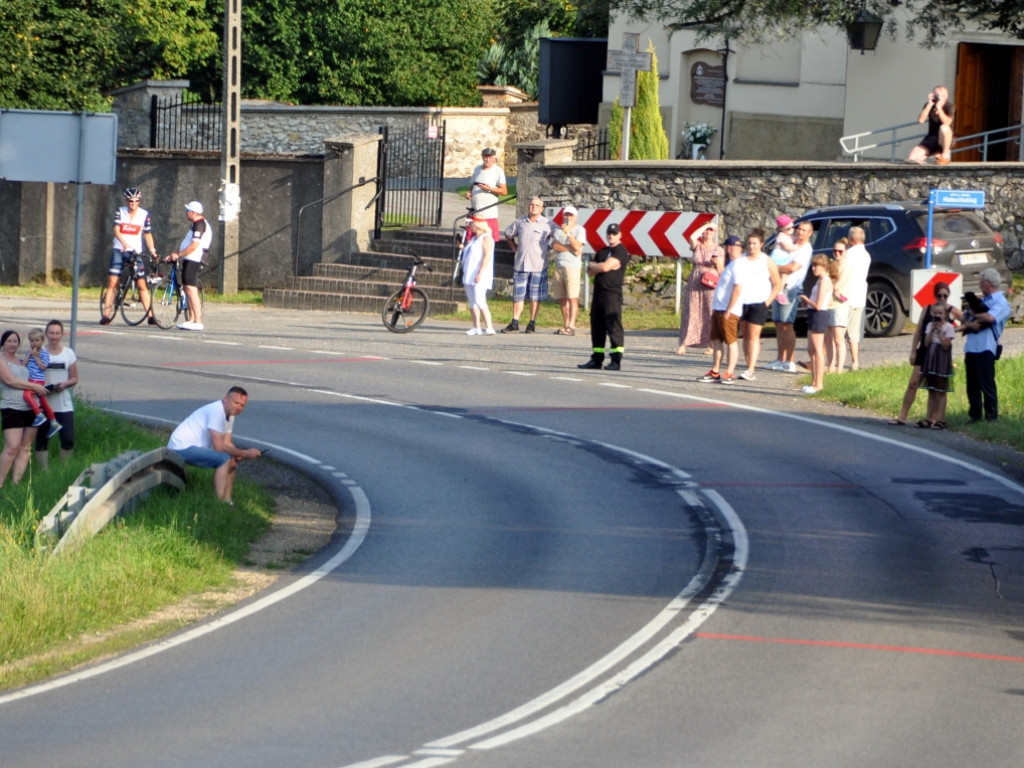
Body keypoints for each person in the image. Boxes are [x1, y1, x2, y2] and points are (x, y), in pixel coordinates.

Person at [167, 386, 262, 503]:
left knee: (231, 459)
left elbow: (227, 443)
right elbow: (219, 446)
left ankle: (227, 499)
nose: (238, 407)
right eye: (236, 402)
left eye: (242, 405)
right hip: (181, 448)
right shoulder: (217, 411)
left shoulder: (229, 415)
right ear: (226, 399)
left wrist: (237, 454)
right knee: (223, 459)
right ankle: (219, 501)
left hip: (191, 447)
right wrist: (244, 453)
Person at [887, 282, 954, 426]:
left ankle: (933, 419)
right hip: (924, 349)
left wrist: (952, 330)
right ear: (935, 295)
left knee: (935, 387)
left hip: (940, 353)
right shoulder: (928, 309)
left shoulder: (950, 310)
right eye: (939, 295)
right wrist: (913, 350)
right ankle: (902, 416)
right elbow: (918, 330)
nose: (942, 298)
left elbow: (965, 322)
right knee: (913, 382)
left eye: (945, 295)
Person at [101, 187, 159, 325]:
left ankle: (151, 316)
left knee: (142, 284)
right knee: (113, 283)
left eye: (136, 201)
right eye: (131, 201)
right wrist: (124, 243)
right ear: (126, 201)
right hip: (119, 250)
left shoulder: (144, 214)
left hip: (135, 252)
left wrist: (152, 250)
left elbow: (147, 233)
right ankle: (106, 315)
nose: (133, 204)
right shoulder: (120, 212)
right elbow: (116, 229)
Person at [578, 223, 630, 371]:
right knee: (597, 327)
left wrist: (599, 266)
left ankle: (615, 360)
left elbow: (605, 267)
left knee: (613, 327)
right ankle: (596, 358)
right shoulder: (603, 251)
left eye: (614, 233)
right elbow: (589, 271)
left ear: (620, 234)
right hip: (598, 294)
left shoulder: (621, 251)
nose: (611, 236)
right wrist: (598, 266)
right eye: (609, 233)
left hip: (612, 294)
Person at [961, 268, 1011, 423]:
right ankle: (975, 415)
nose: (979, 284)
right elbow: (966, 318)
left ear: (988, 283)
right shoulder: (983, 300)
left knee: (987, 384)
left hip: (986, 347)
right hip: (971, 346)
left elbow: (990, 317)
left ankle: (991, 416)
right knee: (972, 385)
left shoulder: (1001, 302)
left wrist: (974, 315)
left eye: (981, 281)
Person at [732, 228, 782, 381]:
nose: (751, 246)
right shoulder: (742, 260)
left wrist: (767, 302)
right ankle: (748, 366)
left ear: (761, 244)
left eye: (754, 243)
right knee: (745, 335)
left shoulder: (766, 260)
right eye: (749, 243)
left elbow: (777, 283)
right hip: (743, 302)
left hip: (759, 302)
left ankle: (751, 368)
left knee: (754, 336)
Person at [0, 330, 48, 488]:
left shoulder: (22, 361)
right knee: (11, 447)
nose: (13, 344)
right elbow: (11, 381)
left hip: (31, 408)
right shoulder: (2, 360)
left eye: (15, 341)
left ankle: (16, 485)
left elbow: (38, 372)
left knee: (25, 447)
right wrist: (33, 386)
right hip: (12, 407)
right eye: (9, 341)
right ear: (3, 343)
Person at [767, 220, 813, 372]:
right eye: (799, 229)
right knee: (778, 323)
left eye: (803, 230)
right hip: (779, 285)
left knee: (787, 324)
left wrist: (774, 266)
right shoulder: (791, 243)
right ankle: (780, 359)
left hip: (791, 288)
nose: (800, 232)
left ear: (809, 233)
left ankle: (790, 361)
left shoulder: (805, 249)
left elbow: (793, 267)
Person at [697, 235, 744, 384]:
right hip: (719, 307)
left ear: (729, 247)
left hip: (728, 309)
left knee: (731, 341)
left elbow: (738, 288)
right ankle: (715, 371)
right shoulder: (730, 264)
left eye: (727, 247)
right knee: (716, 340)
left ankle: (729, 372)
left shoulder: (738, 265)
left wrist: (730, 308)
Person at [501, 198, 550, 334]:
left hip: (538, 266)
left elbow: (556, 238)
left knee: (535, 296)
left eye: (537, 205)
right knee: (518, 295)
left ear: (541, 209)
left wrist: (547, 249)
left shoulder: (547, 224)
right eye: (531, 205)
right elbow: (508, 234)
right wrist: (513, 246)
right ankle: (515, 322)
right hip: (521, 265)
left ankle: (531, 323)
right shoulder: (520, 222)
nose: (533, 207)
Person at [34, 319, 78, 469]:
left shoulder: (68, 353)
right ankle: (43, 472)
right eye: (51, 333)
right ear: (46, 334)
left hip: (64, 405)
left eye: (57, 333)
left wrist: (65, 384)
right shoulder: (39, 353)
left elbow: (74, 378)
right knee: (42, 440)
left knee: (68, 439)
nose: (54, 336)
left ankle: (63, 470)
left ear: (62, 334)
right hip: (43, 403)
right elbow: (31, 376)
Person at [675, 221, 723, 355]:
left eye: (711, 230)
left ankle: (711, 344)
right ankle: (683, 343)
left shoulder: (718, 250)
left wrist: (717, 263)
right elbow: (691, 237)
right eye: (706, 230)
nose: (708, 232)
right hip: (695, 282)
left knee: (709, 312)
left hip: (710, 283)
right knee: (690, 312)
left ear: (715, 233)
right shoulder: (698, 246)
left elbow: (722, 269)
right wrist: (705, 225)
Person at [165, 201, 213, 331]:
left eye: (187, 211)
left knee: (192, 290)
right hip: (189, 258)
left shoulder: (200, 225)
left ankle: (198, 321)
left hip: (194, 259)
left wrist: (178, 254)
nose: (186, 213)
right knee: (187, 289)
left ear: (193, 212)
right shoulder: (196, 224)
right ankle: (191, 319)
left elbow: (194, 246)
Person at [797, 254, 833, 395]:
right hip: (814, 314)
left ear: (823, 267)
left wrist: (806, 298)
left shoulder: (825, 281)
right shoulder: (820, 281)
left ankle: (819, 384)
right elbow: (828, 301)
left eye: (816, 266)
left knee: (818, 351)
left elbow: (819, 305)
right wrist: (809, 302)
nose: (813, 268)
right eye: (812, 265)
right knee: (811, 350)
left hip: (819, 314)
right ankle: (813, 382)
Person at [549, 206, 585, 336]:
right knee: (562, 297)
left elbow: (577, 246)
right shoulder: (558, 230)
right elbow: (555, 246)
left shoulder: (579, 230)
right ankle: (566, 324)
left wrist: (569, 234)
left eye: (570, 215)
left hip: (572, 267)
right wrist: (571, 248)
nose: (568, 217)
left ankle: (572, 325)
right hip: (559, 266)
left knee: (572, 297)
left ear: (575, 217)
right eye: (566, 215)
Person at [20, 327, 61, 438]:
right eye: (32, 340)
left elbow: (43, 367)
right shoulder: (29, 352)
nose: (34, 343)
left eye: (37, 340)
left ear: (42, 340)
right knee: (43, 401)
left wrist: (36, 356)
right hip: (29, 379)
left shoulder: (44, 353)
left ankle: (39, 414)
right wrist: (29, 355)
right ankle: (54, 422)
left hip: (37, 380)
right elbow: (22, 366)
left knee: (27, 395)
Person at [920, 302, 955, 429]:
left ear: (945, 315)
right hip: (931, 356)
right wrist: (931, 331)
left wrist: (940, 332)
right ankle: (929, 418)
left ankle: (940, 419)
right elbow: (926, 343)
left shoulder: (949, 327)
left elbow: (946, 345)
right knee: (931, 390)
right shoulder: (929, 325)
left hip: (942, 357)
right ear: (931, 314)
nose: (937, 316)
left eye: (940, 313)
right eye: (935, 313)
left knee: (941, 390)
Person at [461, 218, 496, 336]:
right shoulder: (474, 239)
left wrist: (480, 272)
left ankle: (489, 327)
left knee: (480, 300)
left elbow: (487, 256)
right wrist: (461, 246)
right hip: (469, 273)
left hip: (480, 274)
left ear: (477, 225)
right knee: (472, 301)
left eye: (470, 223)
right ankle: (476, 327)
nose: (469, 226)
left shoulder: (486, 238)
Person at [843, 226, 871, 370]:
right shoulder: (867, 255)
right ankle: (855, 362)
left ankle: (836, 362)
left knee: (839, 331)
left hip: (846, 296)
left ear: (852, 239)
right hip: (860, 296)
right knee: (854, 333)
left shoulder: (849, 254)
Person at [465, 147, 508, 242]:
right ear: (482, 157)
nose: (488, 160)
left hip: (489, 214)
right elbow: (472, 185)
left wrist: (490, 189)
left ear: (494, 158)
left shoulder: (498, 171)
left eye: (490, 158)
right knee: (471, 240)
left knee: (488, 241)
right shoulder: (477, 169)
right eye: (486, 157)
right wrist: (469, 192)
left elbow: (504, 191)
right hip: (475, 212)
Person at [906, 86, 954, 165]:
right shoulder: (929, 105)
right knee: (911, 159)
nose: (939, 97)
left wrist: (939, 108)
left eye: (942, 95)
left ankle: (945, 155)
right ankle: (930, 157)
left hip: (944, 138)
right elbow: (921, 120)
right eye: (937, 95)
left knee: (944, 128)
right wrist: (929, 104)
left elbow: (947, 123)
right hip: (931, 137)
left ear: (946, 96)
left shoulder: (949, 106)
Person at [826, 238, 851, 373]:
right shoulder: (830, 265)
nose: (837, 253)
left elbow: (837, 286)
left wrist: (831, 287)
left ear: (846, 252)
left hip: (840, 305)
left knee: (838, 338)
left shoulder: (847, 267)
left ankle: (840, 368)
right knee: (828, 338)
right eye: (835, 251)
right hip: (828, 304)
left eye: (840, 251)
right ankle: (830, 366)